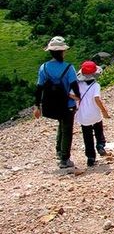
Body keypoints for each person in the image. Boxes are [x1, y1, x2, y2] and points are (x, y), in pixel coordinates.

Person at [33, 36, 81, 169]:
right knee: (67, 129)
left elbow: (39, 88)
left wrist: (37, 106)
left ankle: (59, 152)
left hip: (51, 104)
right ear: (62, 52)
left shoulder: (44, 68)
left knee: (61, 125)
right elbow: (74, 86)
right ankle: (65, 159)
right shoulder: (68, 68)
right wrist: (78, 97)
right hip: (67, 104)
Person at [75, 60, 111, 167]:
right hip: (95, 114)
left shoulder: (78, 85)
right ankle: (100, 145)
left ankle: (90, 158)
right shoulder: (96, 85)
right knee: (99, 131)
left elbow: (71, 95)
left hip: (83, 115)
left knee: (87, 136)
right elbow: (97, 99)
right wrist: (104, 111)